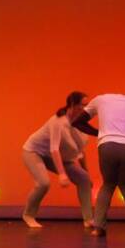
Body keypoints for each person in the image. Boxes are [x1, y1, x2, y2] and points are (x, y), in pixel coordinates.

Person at [73, 94, 125, 237]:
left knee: (107, 185)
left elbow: (77, 122)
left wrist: (99, 133)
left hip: (107, 146)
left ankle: (98, 228)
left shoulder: (100, 99)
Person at [20, 91, 93, 228]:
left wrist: (85, 170)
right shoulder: (58, 122)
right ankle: (28, 215)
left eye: (87, 105)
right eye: (82, 105)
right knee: (43, 183)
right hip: (34, 152)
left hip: (58, 156)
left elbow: (80, 150)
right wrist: (62, 174)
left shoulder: (80, 124)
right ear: (72, 104)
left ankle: (88, 219)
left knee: (84, 180)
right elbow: (54, 149)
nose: (86, 108)